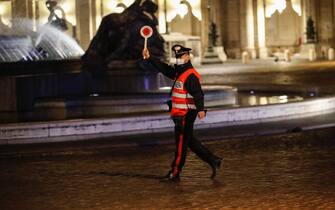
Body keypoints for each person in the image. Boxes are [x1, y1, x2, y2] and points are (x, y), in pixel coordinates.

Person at [142, 45, 222, 181]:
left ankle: (175, 173)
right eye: (177, 56)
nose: (178, 58)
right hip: (180, 113)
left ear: (187, 57)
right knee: (188, 140)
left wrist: (201, 109)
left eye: (181, 56)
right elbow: (165, 68)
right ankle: (213, 160)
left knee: (180, 144)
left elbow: (198, 93)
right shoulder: (180, 71)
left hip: (185, 115)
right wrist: (150, 58)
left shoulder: (190, 74)